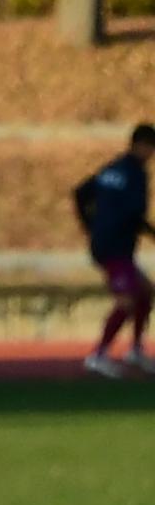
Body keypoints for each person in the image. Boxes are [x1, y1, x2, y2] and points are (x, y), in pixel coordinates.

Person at [81, 122, 153, 377]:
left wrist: (91, 225)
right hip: (115, 246)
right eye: (150, 148)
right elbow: (134, 214)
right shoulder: (135, 174)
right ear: (140, 145)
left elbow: (81, 192)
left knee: (145, 292)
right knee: (127, 301)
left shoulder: (114, 168)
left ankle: (135, 349)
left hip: (107, 242)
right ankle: (98, 355)